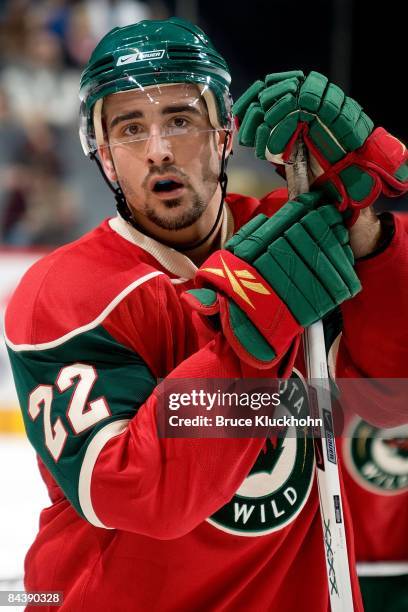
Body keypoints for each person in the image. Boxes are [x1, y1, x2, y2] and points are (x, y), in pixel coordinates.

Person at [4, 16, 408, 612]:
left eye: (180, 119)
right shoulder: (65, 294)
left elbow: (388, 400)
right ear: (105, 155)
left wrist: (366, 232)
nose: (159, 149)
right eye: (130, 128)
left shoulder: (295, 230)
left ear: (224, 132)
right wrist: (257, 315)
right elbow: (145, 494)